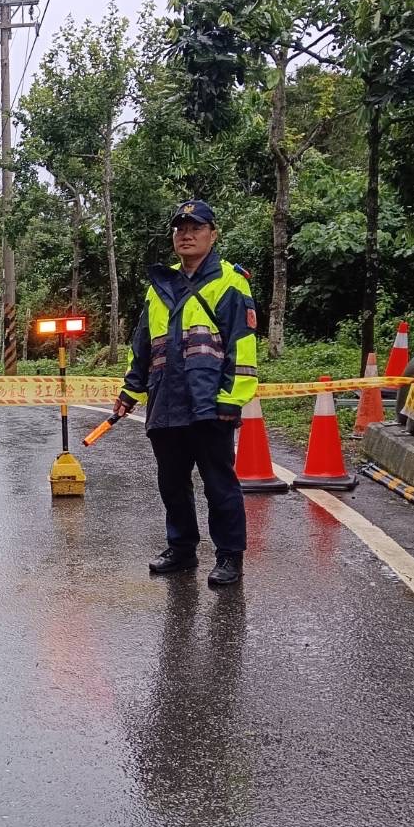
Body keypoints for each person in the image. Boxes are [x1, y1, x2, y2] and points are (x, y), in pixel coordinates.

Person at [114, 200, 258, 589]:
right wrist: (130, 388)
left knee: (218, 484)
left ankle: (229, 555)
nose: (186, 234)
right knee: (172, 482)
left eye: (195, 227)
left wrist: (232, 397)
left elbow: (242, 347)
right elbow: (142, 344)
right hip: (166, 401)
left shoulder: (230, 282)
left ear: (213, 233)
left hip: (209, 402)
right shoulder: (159, 285)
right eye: (180, 228)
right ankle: (181, 548)